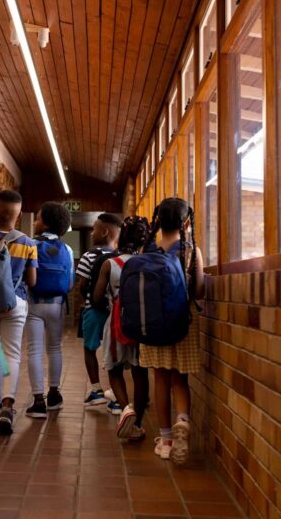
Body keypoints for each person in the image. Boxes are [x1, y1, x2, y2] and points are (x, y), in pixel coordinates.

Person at [141, 198, 205, 465]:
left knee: (161, 379)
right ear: (186, 221)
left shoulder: (147, 250)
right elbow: (199, 290)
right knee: (181, 379)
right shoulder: (192, 250)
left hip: (154, 324)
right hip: (183, 323)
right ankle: (183, 419)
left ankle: (166, 440)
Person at [92, 216, 152, 442]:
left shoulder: (110, 264)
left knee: (114, 369)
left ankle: (125, 408)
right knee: (140, 372)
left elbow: (97, 297)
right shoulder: (146, 261)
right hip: (141, 323)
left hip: (116, 322)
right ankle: (137, 423)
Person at [0, 190, 38, 434]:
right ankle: (8, 405)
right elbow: (33, 281)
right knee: (12, 354)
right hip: (16, 302)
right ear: (18, 215)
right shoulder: (28, 243)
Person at [24, 202, 74, 418]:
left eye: (37, 218)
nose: (35, 222)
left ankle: (38, 401)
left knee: (34, 350)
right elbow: (70, 283)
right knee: (54, 348)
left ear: (44, 223)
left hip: (33, 303)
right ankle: (54, 394)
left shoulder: (30, 244)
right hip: (57, 305)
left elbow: (25, 277)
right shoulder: (68, 249)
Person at [75, 213, 122, 408]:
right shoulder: (120, 257)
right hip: (115, 312)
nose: (92, 232)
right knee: (114, 353)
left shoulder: (89, 255)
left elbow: (82, 285)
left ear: (104, 232)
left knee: (89, 348)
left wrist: (85, 302)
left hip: (93, 310)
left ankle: (96, 390)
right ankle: (119, 399)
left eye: (94, 229)